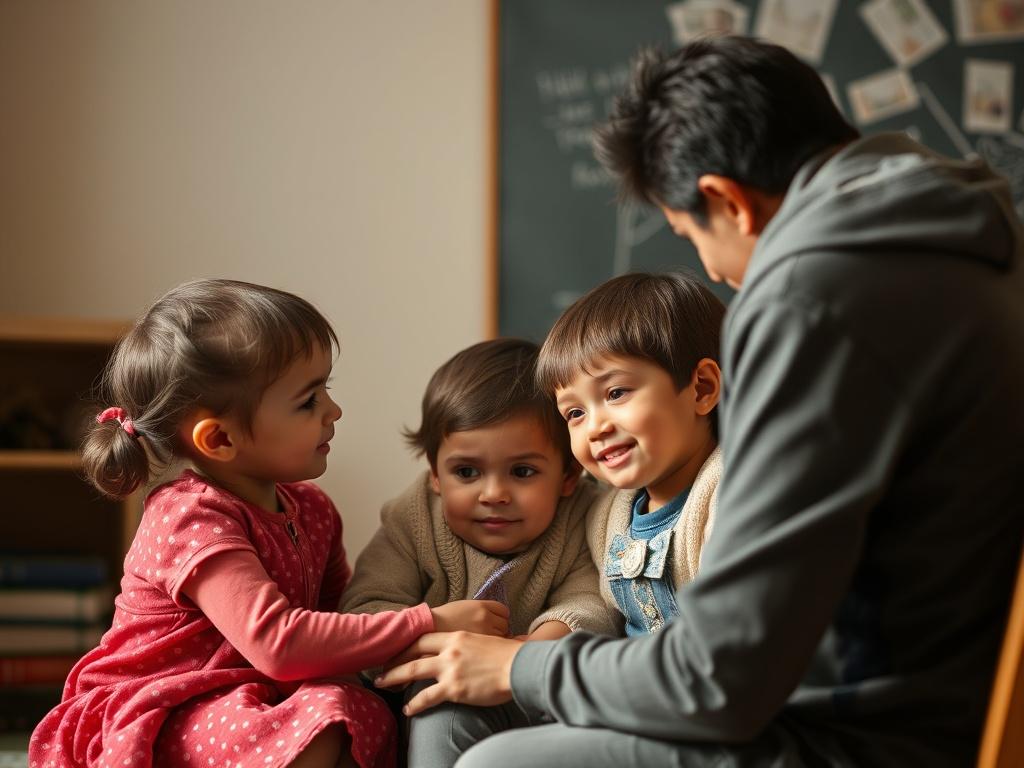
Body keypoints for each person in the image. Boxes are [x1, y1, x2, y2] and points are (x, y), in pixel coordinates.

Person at [376, 35, 1024, 767]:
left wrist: (518, 665)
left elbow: (719, 676)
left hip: (852, 732)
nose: (719, 273)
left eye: (689, 235)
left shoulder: (813, 299)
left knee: (493, 763)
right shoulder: (967, 244)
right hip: (915, 698)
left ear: (727, 202)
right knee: (457, 717)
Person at [29, 279, 509, 768]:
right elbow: (280, 644)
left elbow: (338, 629)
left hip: (254, 695)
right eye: (308, 401)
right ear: (218, 439)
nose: (334, 411)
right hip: (160, 707)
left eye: (327, 388)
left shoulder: (312, 510)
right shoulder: (190, 517)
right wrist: (427, 620)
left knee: (370, 711)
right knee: (322, 719)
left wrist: (428, 650)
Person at [341, 338, 614, 767]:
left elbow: (593, 602)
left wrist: (522, 657)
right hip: (440, 690)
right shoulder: (414, 521)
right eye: (466, 472)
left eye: (522, 472)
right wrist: (438, 632)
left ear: (569, 475)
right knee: (444, 707)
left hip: (543, 690)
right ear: (435, 475)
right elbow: (363, 612)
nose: (494, 494)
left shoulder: (585, 513)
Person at [535, 272, 726, 636]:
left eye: (616, 393)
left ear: (701, 388)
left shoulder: (731, 492)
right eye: (575, 413)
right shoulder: (605, 514)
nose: (595, 427)